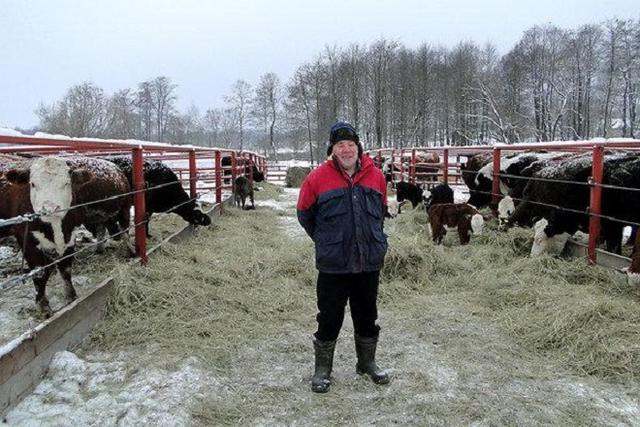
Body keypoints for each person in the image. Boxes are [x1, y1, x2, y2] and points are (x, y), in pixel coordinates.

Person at [297, 121, 390, 393]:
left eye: (351, 144)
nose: (346, 150)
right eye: (340, 145)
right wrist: (327, 241)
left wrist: (372, 240)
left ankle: (367, 363)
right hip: (333, 264)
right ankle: (323, 369)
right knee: (329, 316)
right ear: (332, 150)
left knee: (367, 314)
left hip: (368, 261)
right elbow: (305, 214)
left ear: (358, 147)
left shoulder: (376, 176)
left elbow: (381, 211)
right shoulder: (317, 178)